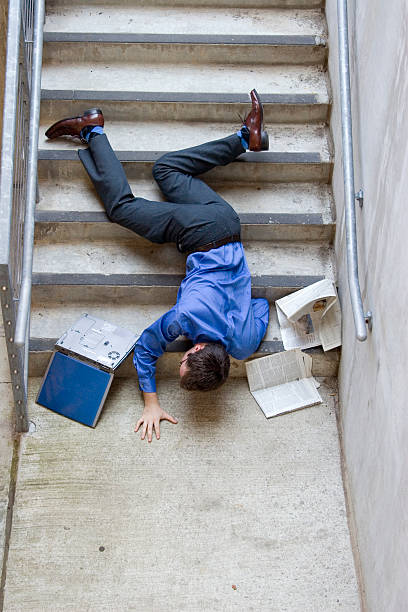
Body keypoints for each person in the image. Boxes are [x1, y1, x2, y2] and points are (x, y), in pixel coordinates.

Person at [45, 90, 270, 442]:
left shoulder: (243, 344)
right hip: (199, 233)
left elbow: (260, 305)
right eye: (182, 361)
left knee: (166, 170)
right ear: (195, 349)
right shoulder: (186, 316)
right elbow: (147, 349)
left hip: (227, 222)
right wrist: (151, 402)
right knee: (121, 209)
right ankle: (92, 130)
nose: (179, 357)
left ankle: (244, 138)